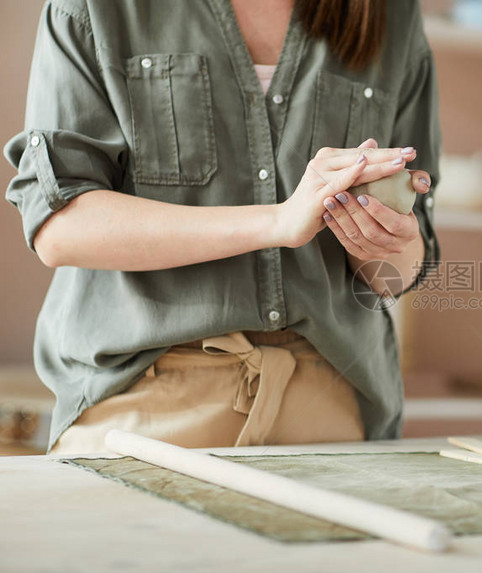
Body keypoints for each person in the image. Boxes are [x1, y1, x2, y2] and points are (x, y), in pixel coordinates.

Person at [3, 0, 442, 454]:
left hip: (333, 415)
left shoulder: (392, 15)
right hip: (144, 411)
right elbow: (60, 223)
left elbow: (402, 270)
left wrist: (382, 240)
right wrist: (277, 221)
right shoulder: (94, 7)